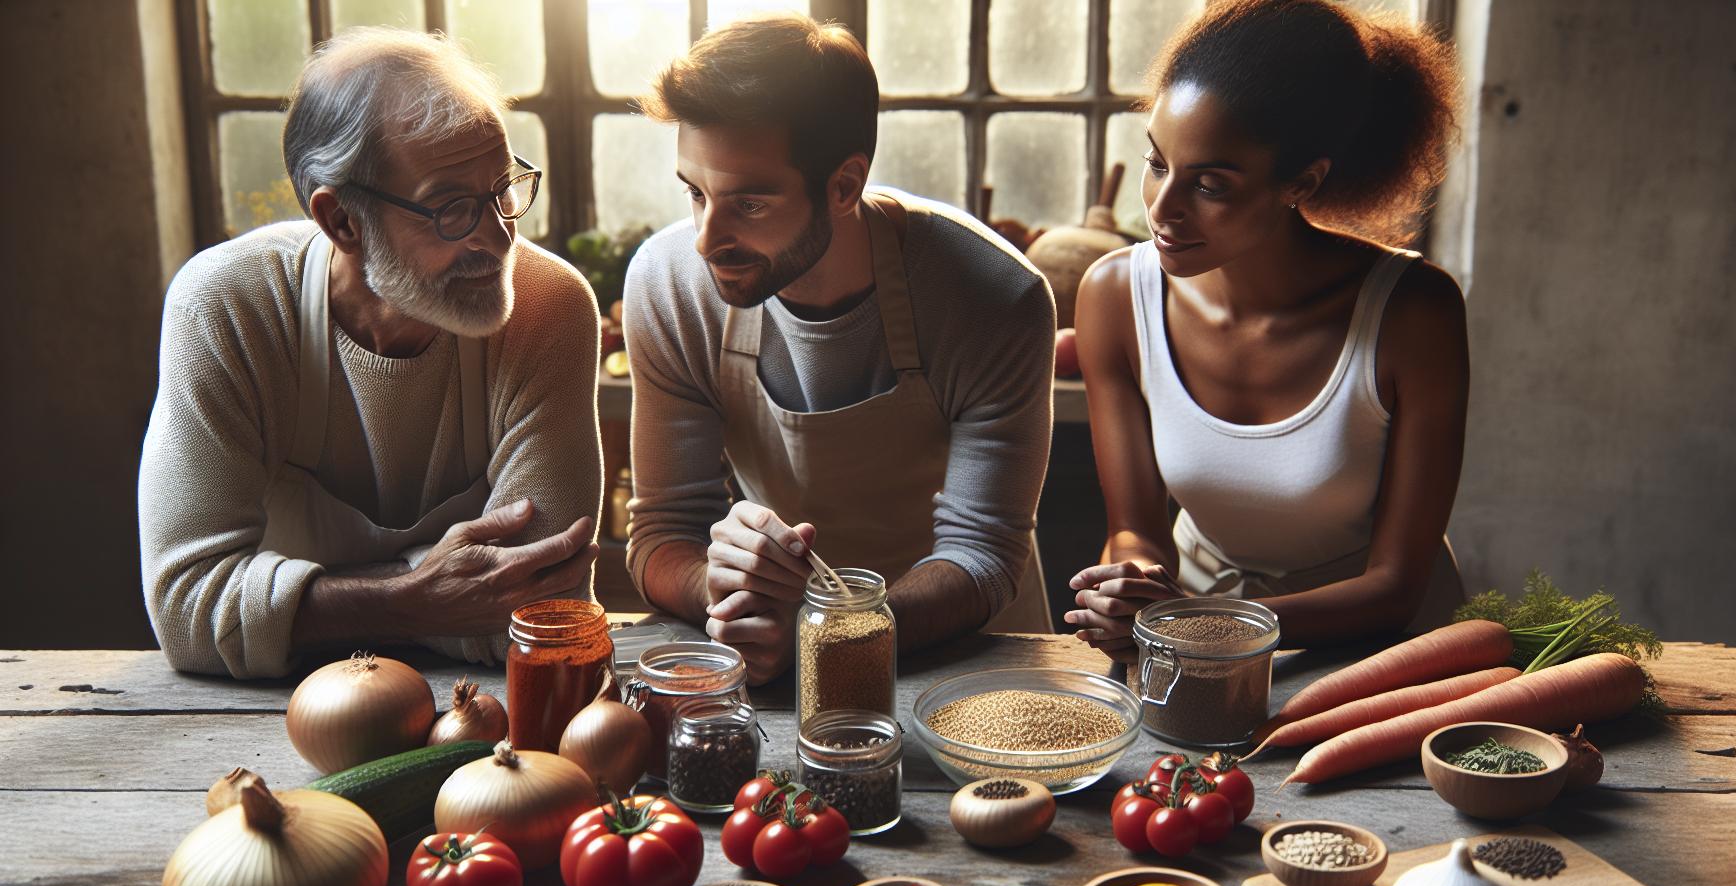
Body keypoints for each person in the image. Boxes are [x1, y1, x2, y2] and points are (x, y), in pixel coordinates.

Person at [139, 28, 602, 679]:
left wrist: (292, 611)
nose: (498, 237)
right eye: (450, 209)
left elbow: (542, 606)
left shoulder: (549, 305)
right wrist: (414, 601)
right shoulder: (228, 308)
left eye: (502, 189)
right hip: (259, 725)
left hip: (484, 721)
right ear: (341, 223)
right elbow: (188, 610)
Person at [624, 14, 1057, 683]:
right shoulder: (669, 284)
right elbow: (661, 532)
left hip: (967, 659)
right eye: (695, 193)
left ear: (845, 185)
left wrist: (828, 634)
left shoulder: (993, 297)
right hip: (775, 655)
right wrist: (722, 591)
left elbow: (983, 558)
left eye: (751, 204)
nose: (708, 239)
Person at [1067, 0, 1468, 658]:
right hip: (1188, 636)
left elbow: (1396, 586)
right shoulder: (1114, 297)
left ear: (1300, 182)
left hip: (1379, 652)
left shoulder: (1413, 312)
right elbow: (1136, 529)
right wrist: (1134, 584)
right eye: (1158, 164)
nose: (1163, 211)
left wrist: (1210, 624)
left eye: (1211, 186)